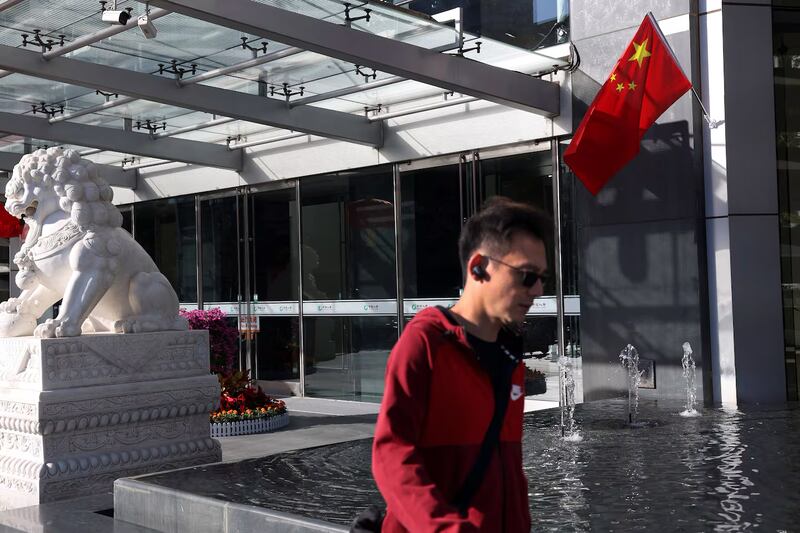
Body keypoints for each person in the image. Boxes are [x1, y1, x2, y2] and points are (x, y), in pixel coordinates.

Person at [371, 196, 551, 532]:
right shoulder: (426, 342)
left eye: (541, 277)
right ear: (479, 266)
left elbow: (508, 468)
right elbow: (391, 456)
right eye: (527, 276)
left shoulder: (510, 355)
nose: (538, 289)